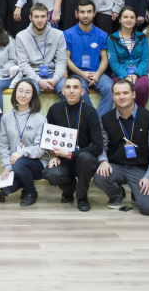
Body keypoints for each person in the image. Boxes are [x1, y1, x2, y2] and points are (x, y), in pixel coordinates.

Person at [94, 78, 149, 215]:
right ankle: (117, 195)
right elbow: (102, 145)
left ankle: (136, 191)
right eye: (117, 94)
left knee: (148, 208)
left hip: (141, 169)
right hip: (116, 166)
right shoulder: (106, 119)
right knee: (100, 176)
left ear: (133, 94)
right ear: (113, 96)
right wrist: (103, 161)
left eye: (125, 93)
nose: (122, 97)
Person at [44, 76, 105, 211]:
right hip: (62, 159)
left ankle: (82, 197)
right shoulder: (54, 109)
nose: (71, 91)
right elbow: (47, 139)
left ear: (82, 92)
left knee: (85, 158)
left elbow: (98, 146)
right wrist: (52, 155)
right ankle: (69, 190)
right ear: (63, 91)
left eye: (75, 87)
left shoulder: (90, 112)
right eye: (68, 87)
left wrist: (71, 154)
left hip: (83, 160)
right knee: (51, 173)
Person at [0, 79, 47, 207]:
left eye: (28, 92)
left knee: (20, 163)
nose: (23, 95)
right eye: (20, 91)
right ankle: (24, 182)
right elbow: (2, 146)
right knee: (6, 188)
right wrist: (7, 166)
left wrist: (21, 152)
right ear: (15, 94)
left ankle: (31, 192)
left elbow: (40, 149)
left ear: (33, 96)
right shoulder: (6, 118)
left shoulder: (40, 119)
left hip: (38, 162)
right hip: (16, 163)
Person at [63, 0, 113, 113]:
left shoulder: (102, 34)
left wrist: (97, 74)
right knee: (80, 91)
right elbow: (67, 59)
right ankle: (90, 119)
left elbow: (104, 58)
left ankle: (99, 121)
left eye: (89, 12)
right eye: (82, 12)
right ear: (77, 14)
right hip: (77, 74)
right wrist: (82, 74)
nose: (86, 15)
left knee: (110, 88)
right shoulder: (67, 34)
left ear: (94, 13)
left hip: (97, 73)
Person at [15, 3, 67, 97]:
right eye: (36, 17)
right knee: (30, 92)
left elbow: (61, 61)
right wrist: (39, 80)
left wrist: (55, 79)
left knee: (67, 91)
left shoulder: (59, 34)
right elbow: (23, 64)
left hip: (52, 74)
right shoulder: (21, 36)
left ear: (48, 17)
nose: (40, 20)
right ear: (30, 18)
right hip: (30, 76)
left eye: (43, 16)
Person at [107, 6, 149, 108]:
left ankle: (138, 113)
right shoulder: (112, 38)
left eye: (132, 17)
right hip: (119, 74)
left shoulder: (142, 37)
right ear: (120, 19)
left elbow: (145, 60)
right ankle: (125, 113)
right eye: (125, 17)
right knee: (124, 89)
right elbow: (113, 62)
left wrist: (136, 74)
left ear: (135, 20)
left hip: (139, 73)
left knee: (142, 86)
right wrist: (125, 75)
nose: (129, 20)